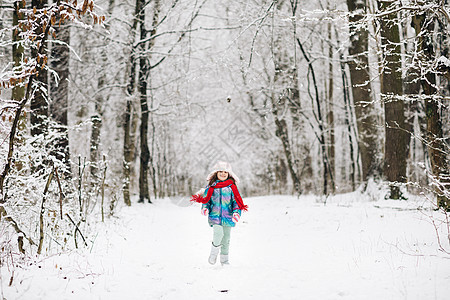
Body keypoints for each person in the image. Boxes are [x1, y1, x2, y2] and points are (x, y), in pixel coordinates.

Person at [191, 161, 248, 265]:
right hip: (215, 216)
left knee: (226, 239)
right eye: (220, 171)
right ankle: (213, 254)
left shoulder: (232, 187)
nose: (223, 174)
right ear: (216, 173)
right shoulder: (211, 187)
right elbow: (206, 200)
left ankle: (224, 261)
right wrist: (205, 208)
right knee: (218, 234)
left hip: (228, 217)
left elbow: (237, 202)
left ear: (229, 174)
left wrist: (236, 213)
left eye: (225, 172)